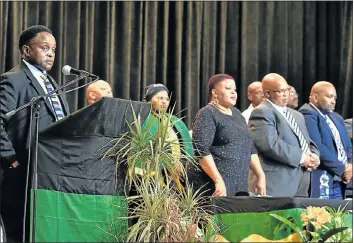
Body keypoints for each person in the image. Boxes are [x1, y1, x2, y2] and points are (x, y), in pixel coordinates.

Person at [0, 25, 70, 241]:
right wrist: (10, 159)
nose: (51, 54)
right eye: (44, 47)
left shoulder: (51, 83)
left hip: (49, 173)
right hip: (21, 172)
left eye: (54, 49)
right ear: (26, 51)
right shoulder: (14, 79)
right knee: (19, 232)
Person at [190, 74, 266, 197]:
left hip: (239, 184)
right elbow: (201, 150)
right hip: (214, 185)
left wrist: (260, 175)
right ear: (215, 93)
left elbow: (249, 147)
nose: (233, 93)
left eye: (234, 90)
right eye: (228, 88)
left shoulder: (237, 114)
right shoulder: (207, 113)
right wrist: (218, 180)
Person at [248, 73, 320, 197]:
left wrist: (315, 156)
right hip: (278, 182)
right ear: (267, 93)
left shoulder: (297, 115)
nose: (286, 95)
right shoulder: (261, 112)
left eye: (287, 90)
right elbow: (270, 145)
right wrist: (302, 158)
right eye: (280, 91)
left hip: (302, 181)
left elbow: (307, 141)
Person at [299, 81, 352, 199]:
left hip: (340, 180)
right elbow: (317, 147)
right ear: (315, 97)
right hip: (322, 177)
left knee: (338, 216)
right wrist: (342, 168)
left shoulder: (337, 117)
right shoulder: (307, 113)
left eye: (335, 98)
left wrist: (350, 166)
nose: (333, 101)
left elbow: (348, 145)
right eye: (329, 96)